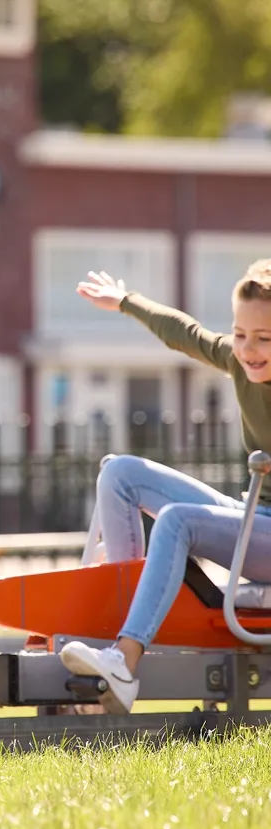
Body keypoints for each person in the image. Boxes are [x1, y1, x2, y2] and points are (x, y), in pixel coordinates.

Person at [60, 264, 271, 714]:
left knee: (176, 521)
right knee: (120, 473)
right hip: (257, 520)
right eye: (240, 334)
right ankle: (121, 641)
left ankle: (126, 660)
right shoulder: (237, 361)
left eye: (264, 338)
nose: (248, 349)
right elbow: (185, 332)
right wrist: (124, 301)